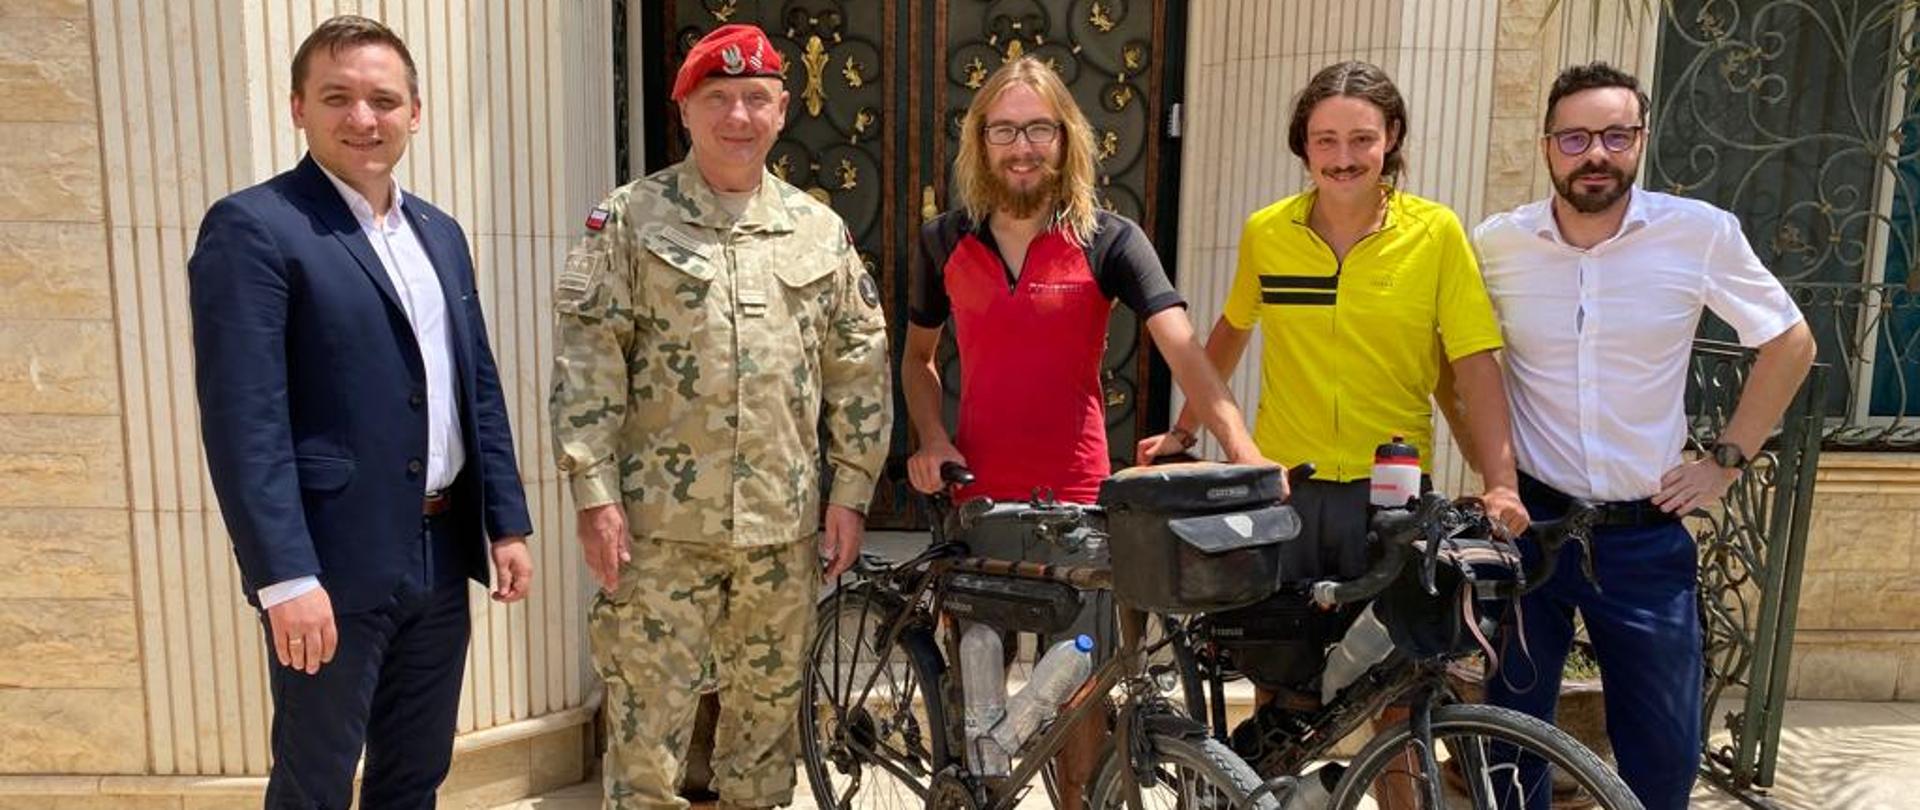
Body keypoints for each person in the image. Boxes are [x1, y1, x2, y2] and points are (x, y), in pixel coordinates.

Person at [1140, 60, 1527, 805]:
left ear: (1392, 138)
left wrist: (1501, 481)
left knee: (1396, 701)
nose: (1343, 157)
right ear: (1303, 145)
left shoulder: (1435, 234)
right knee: (1281, 696)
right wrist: (1184, 430)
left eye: (1361, 138)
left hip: (1393, 499)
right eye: (1326, 140)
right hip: (1290, 494)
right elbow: (1228, 334)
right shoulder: (1268, 232)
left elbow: (1474, 363)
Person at [903, 56, 1271, 810]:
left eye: (1039, 129)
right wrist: (932, 438)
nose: (1022, 147)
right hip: (979, 501)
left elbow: (1184, 350)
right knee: (980, 706)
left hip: (1077, 503)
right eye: (1004, 130)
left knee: (1080, 696)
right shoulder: (944, 242)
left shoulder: (1109, 239)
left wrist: (1243, 451)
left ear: (1067, 138)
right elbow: (918, 359)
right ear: (980, 140)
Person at [187, 15, 535, 809]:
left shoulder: (439, 233)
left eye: (383, 99)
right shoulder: (255, 227)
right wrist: (284, 576)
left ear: (416, 112)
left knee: (414, 775)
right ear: (297, 108)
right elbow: (244, 421)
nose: (363, 118)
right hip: (331, 561)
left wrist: (504, 523)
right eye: (336, 97)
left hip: (440, 552)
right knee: (315, 782)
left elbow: (474, 384)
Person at [549, 23, 892, 810]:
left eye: (755, 98)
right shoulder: (631, 219)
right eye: (719, 98)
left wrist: (850, 493)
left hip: (781, 532)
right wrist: (593, 495)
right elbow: (589, 360)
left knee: (765, 740)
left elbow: (858, 364)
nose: (738, 116)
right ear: (685, 111)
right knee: (646, 740)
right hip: (658, 533)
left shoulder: (820, 231)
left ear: (781, 111)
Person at [1475, 62, 1815, 810]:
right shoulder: (1498, 244)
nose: (1595, 153)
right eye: (1574, 138)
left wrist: (1726, 460)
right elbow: (1462, 358)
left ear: (1641, 140)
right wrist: (1492, 470)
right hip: (1532, 529)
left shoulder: (1697, 233)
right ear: (1547, 146)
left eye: (1615, 135)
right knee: (1509, 749)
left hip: (1643, 536)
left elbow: (1790, 342)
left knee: (1663, 758)